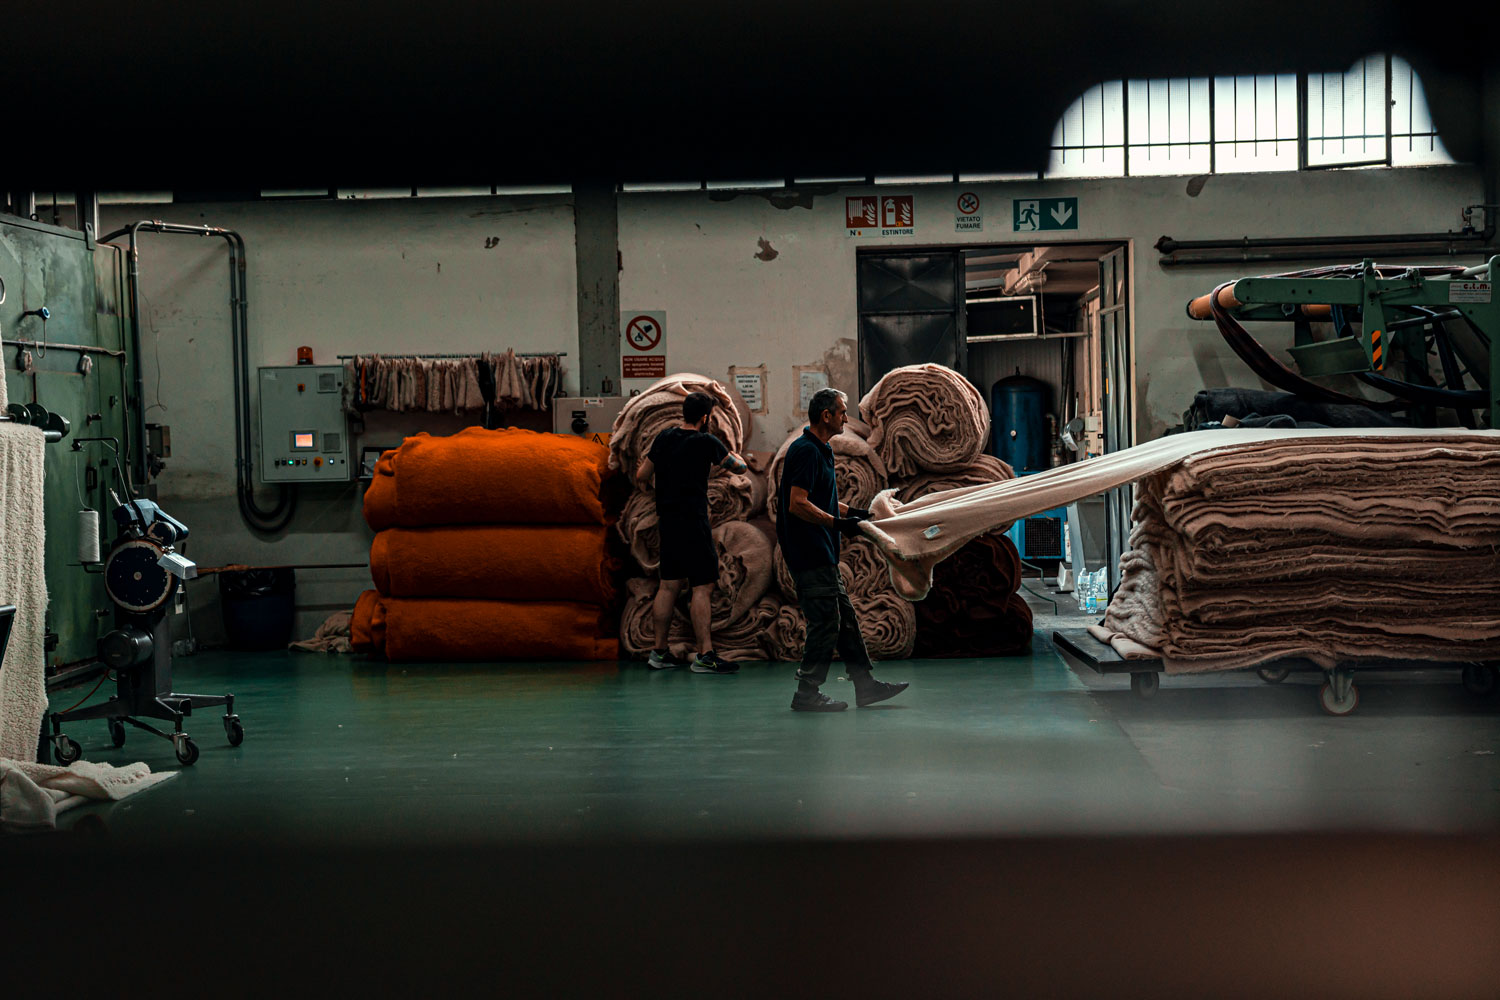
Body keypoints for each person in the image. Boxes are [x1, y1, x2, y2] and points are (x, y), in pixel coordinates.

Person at [776, 387, 909, 712]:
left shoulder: (822, 450)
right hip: (808, 553)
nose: (846, 419)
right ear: (826, 416)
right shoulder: (805, 451)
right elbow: (797, 504)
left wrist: (858, 514)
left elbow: (823, 500)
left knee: (845, 619)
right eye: (842, 412)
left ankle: (866, 686)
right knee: (825, 622)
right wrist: (837, 524)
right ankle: (806, 693)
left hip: (822, 552)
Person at [635, 391, 748, 674]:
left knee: (668, 585)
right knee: (702, 586)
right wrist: (732, 453)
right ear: (705, 417)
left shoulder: (664, 437)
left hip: (668, 522)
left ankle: (659, 653)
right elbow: (740, 467)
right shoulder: (706, 442)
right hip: (694, 522)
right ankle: (705, 655)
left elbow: (642, 475)